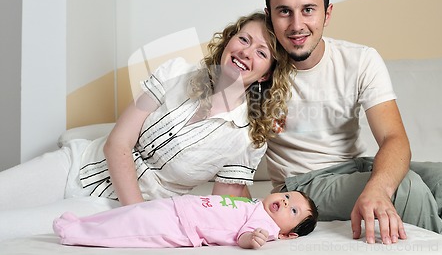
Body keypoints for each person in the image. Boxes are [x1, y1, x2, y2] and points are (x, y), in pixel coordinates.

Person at [0, 12, 294, 240]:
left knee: (7, 228)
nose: (246, 52)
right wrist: (139, 215)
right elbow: (117, 143)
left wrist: (264, 222)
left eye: (261, 52)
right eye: (244, 40)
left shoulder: (247, 139)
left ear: (266, 75)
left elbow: (222, 209)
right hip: (76, 164)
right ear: (229, 41)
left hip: (111, 209)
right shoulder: (176, 72)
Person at [263, 0, 442, 246]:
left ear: (327, 13)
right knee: (406, 189)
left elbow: (394, 138)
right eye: (285, 12)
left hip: (354, 165)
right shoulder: (257, 66)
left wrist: (378, 187)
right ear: (269, 16)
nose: (297, 25)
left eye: (308, 10)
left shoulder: (360, 59)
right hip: (302, 183)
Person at [53, 191, 318, 249]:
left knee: (133, 229)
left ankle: (77, 234)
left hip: (181, 227)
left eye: (292, 211)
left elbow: (246, 234)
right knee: (130, 213)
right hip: (178, 206)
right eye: (286, 196)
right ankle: (84, 222)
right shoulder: (254, 203)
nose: (285, 202)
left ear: (287, 234)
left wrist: (250, 239)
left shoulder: (268, 226)